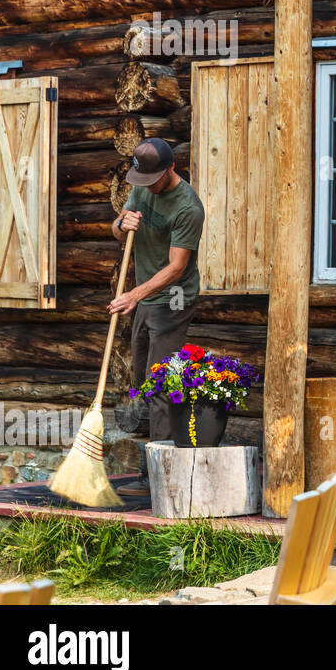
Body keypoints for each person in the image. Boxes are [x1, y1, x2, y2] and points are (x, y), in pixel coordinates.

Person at [111, 138, 205, 497]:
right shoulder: (141, 185)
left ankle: (160, 471)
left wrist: (134, 294)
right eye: (140, 179)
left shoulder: (187, 207)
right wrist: (122, 223)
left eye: (151, 179)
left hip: (174, 297)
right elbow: (116, 229)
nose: (145, 186)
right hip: (147, 294)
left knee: (160, 380)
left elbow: (177, 267)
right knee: (141, 379)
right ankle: (160, 454)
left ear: (170, 169)